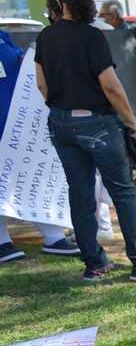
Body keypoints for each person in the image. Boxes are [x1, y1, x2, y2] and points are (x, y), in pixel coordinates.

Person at [35, 0, 136, 283]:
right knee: (122, 192)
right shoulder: (91, 36)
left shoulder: (46, 36)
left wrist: (61, 107)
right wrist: (130, 119)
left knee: (80, 194)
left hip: (60, 122)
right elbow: (110, 85)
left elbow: (42, 85)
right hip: (97, 122)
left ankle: (94, 264)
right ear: (90, 2)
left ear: (59, 3)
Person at [0, 26, 80, 262]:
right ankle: (2, 240)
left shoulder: (4, 38)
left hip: (17, 126)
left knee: (28, 179)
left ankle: (53, 236)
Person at [47, 0, 115, 241]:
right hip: (100, 114)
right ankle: (103, 226)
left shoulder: (51, 38)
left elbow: (45, 85)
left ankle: (93, 233)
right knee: (102, 176)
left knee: (81, 180)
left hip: (69, 116)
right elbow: (111, 82)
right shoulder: (97, 32)